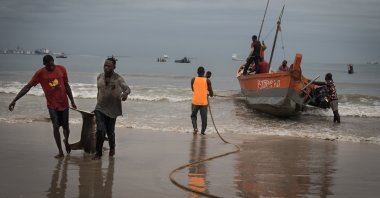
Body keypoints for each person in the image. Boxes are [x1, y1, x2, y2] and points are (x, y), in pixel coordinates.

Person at [8, 55, 77, 158]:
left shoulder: (61, 69)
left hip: (64, 103)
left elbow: (67, 85)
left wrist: (72, 101)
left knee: (66, 128)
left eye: (52, 65)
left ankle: (66, 141)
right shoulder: (40, 73)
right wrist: (14, 100)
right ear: (44, 65)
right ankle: (60, 151)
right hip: (52, 105)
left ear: (54, 62)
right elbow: (28, 87)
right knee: (55, 126)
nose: (51, 67)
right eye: (48, 66)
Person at [93, 57, 131, 160]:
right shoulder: (99, 77)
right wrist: (96, 106)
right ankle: (98, 153)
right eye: (105, 65)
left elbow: (127, 88)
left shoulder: (118, 79)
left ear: (114, 67)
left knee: (110, 132)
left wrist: (125, 94)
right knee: (100, 130)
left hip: (113, 109)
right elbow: (99, 92)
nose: (106, 67)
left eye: (108, 66)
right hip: (100, 107)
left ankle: (112, 147)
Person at [191, 66, 213, 135]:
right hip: (204, 102)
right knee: (204, 119)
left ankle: (195, 128)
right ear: (204, 72)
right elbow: (211, 93)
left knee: (193, 116)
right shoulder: (207, 80)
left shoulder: (193, 79)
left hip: (195, 101)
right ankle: (202, 132)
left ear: (197, 72)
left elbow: (193, 89)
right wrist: (208, 94)